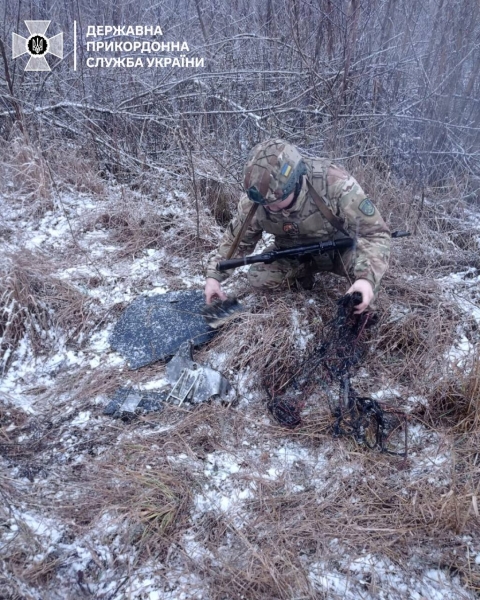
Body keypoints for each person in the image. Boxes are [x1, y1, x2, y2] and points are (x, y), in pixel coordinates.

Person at [204, 139, 391, 315]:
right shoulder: (257, 201)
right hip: (291, 254)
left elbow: (375, 234)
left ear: (294, 183)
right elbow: (236, 242)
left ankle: (363, 309)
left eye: (276, 201)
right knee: (260, 276)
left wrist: (365, 280)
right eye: (265, 203)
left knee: (364, 280)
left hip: (340, 250)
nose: (269, 208)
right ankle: (303, 281)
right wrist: (214, 277)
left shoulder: (334, 184)